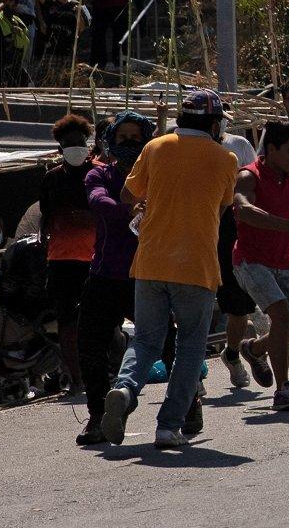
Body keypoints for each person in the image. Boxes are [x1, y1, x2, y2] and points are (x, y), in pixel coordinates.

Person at [102, 89, 238, 449]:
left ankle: (124, 390)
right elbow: (222, 208)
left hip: (151, 261)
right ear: (213, 125)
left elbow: (127, 195)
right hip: (196, 265)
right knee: (190, 345)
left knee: (146, 339)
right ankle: (168, 425)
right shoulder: (226, 159)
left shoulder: (155, 147)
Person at [76, 111, 156, 445]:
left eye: (135, 138)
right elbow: (99, 202)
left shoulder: (158, 175)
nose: (129, 144)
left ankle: (188, 402)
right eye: (122, 138)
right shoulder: (99, 175)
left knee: (167, 342)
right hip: (106, 274)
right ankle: (98, 416)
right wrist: (130, 209)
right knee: (90, 345)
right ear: (110, 142)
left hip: (149, 274)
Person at [234, 121, 289, 410]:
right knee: (282, 315)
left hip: (283, 259)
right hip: (251, 261)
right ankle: (283, 390)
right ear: (271, 149)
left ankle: (253, 348)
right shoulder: (249, 176)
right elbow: (244, 210)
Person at [39, 115, 97, 396]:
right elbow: (45, 217)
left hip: (97, 259)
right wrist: (44, 239)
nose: (76, 147)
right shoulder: (51, 179)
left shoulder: (99, 174)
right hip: (61, 260)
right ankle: (76, 379)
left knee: (98, 321)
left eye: (80, 142)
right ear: (60, 148)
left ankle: (101, 371)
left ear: (88, 144)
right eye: (69, 143)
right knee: (67, 322)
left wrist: (90, 219)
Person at [216, 125, 259, 389]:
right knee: (191, 306)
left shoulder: (238, 146)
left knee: (238, 307)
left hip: (230, 232)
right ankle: (192, 375)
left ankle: (232, 354)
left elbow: (254, 184)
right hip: (194, 232)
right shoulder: (177, 146)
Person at [33, 0, 89, 84]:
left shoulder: (76, 4)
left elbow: (81, 29)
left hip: (68, 52)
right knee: (47, 83)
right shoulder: (50, 2)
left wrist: (78, 14)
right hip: (51, 51)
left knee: (66, 83)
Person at [0, 0, 30, 85]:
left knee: (25, 84)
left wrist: (18, 31)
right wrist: (4, 3)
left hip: (16, 61)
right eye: (8, 1)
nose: (11, 4)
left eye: (12, 1)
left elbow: (24, 38)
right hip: (2, 61)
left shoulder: (17, 20)